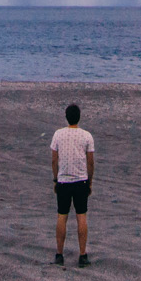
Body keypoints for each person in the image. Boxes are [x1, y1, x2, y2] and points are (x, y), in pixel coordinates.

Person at [49, 103, 95, 266]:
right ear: (79, 117)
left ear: (66, 117)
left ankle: (59, 254)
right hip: (81, 180)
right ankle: (82, 255)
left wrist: (55, 178)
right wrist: (90, 181)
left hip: (63, 181)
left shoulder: (58, 135)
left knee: (62, 216)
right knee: (81, 216)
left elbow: (54, 159)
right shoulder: (86, 136)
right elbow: (90, 162)